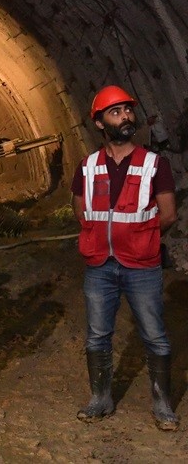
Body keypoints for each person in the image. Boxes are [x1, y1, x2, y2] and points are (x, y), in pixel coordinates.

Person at [71, 85, 179, 431]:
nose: (126, 117)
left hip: (142, 266)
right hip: (100, 265)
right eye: (116, 112)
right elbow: (81, 209)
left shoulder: (153, 164)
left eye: (128, 110)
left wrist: (139, 237)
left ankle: (162, 405)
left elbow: (168, 214)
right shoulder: (87, 167)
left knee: (155, 336)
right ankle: (100, 399)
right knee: (97, 336)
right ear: (100, 123)